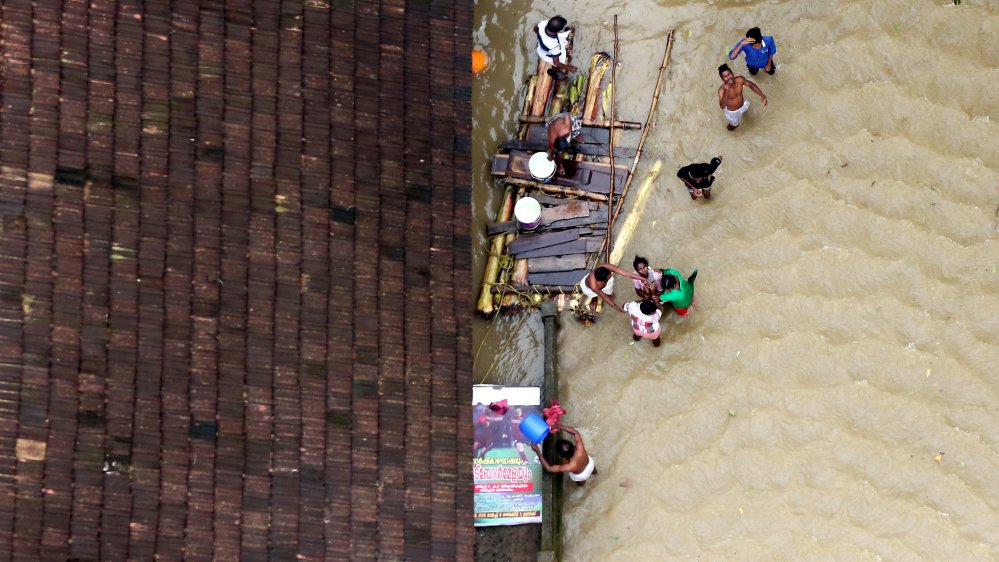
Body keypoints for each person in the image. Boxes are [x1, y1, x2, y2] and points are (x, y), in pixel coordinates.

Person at [530, 425, 596, 486]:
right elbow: (575, 432)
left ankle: (582, 485)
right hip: (590, 465)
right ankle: (595, 473)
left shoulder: (569, 466)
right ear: (573, 446)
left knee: (580, 482)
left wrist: (537, 451)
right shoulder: (580, 448)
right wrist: (558, 426)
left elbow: (549, 468)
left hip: (581, 476)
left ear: (562, 456)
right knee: (592, 469)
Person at [579, 262, 649, 314]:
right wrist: (619, 309)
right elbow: (605, 298)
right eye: (610, 274)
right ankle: (594, 299)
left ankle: (609, 294)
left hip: (604, 284)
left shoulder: (606, 267)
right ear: (604, 279)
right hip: (590, 289)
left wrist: (644, 279)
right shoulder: (594, 286)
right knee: (595, 295)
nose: (611, 273)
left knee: (609, 293)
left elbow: (627, 274)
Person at [717, 64, 767, 131]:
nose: (728, 77)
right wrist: (726, 91)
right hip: (733, 112)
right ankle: (729, 132)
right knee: (734, 126)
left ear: (732, 73)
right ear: (722, 79)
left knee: (746, 112)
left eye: (729, 74)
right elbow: (722, 106)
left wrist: (762, 95)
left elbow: (751, 85)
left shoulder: (740, 80)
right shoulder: (722, 90)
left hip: (743, 104)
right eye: (725, 76)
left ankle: (744, 114)